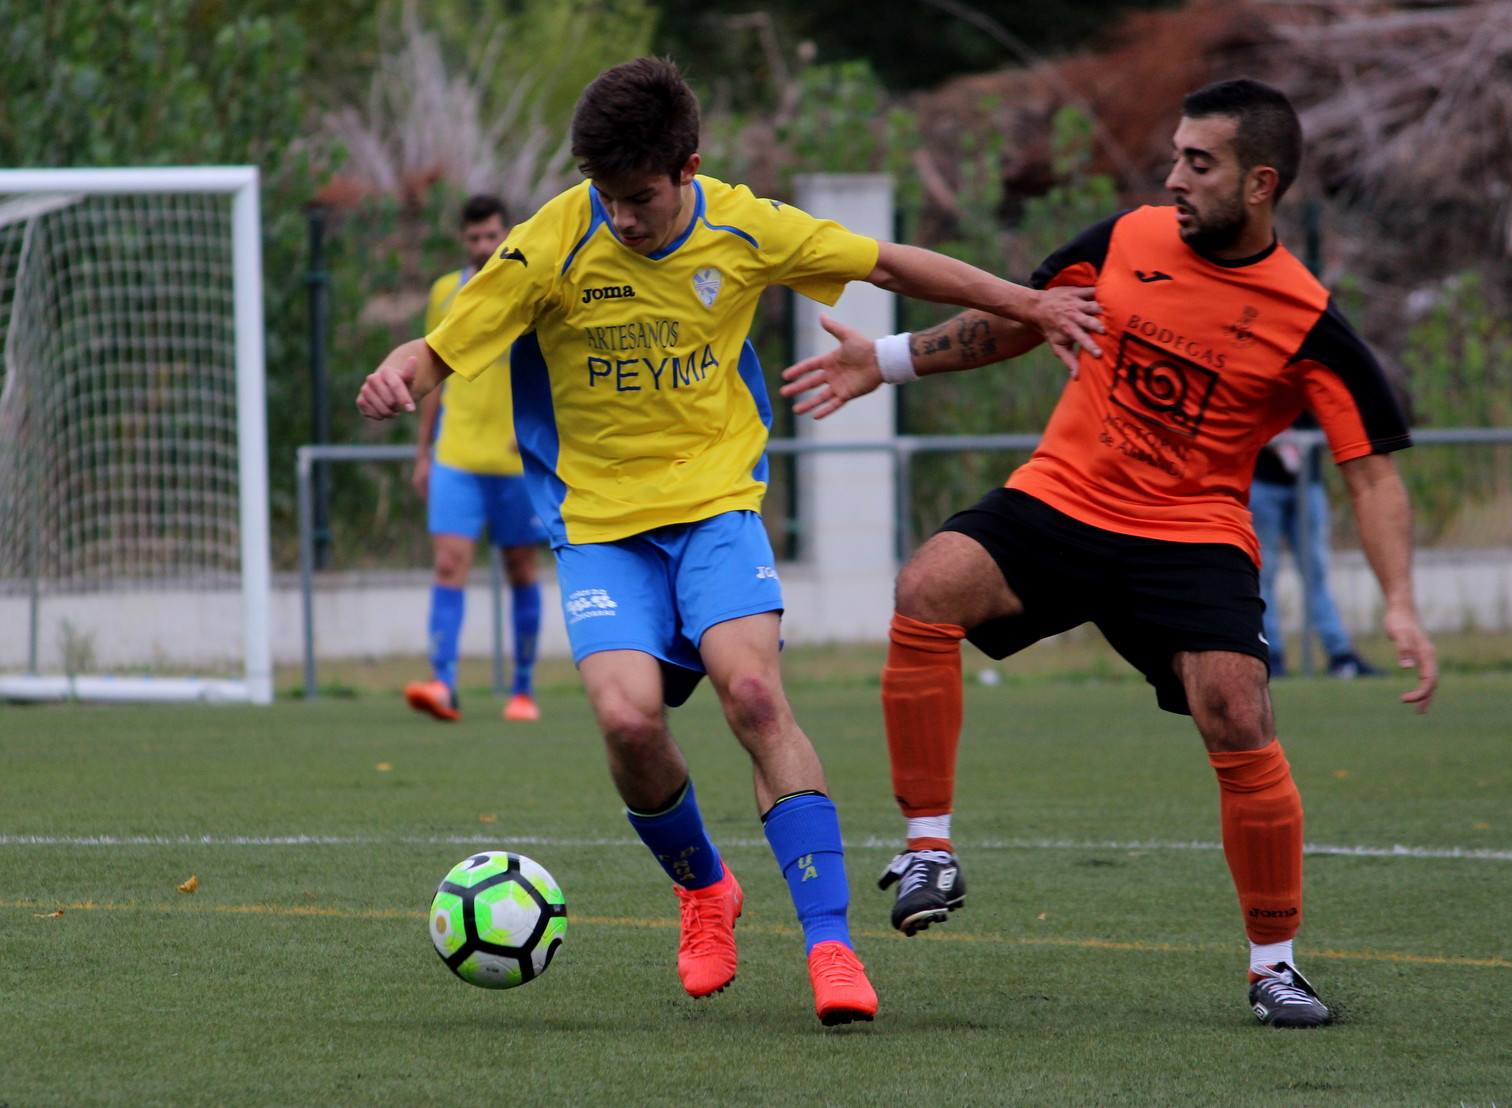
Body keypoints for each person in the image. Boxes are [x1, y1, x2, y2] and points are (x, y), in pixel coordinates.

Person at [357, 57, 1104, 1025]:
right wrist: (399, 373)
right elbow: (442, 348)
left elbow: (887, 263)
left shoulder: (745, 227)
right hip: (598, 526)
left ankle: (830, 945)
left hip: (715, 507)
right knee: (627, 721)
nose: (621, 218)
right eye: (605, 195)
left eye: (639, 198)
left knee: (751, 693)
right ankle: (705, 888)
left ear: (688, 169)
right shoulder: (549, 242)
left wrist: (1028, 303)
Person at [781, 77, 1438, 1028]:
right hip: (1063, 500)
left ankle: (1275, 967)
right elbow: (1026, 317)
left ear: (1260, 183)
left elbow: (1371, 476)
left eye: (1199, 163)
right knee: (929, 584)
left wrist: (1401, 602)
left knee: (1238, 713)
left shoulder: (1306, 318)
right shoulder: (1128, 237)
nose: (1174, 177)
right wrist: (883, 361)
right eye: (1175, 156)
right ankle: (928, 849)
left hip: (1192, 534)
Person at [406, 195, 548, 724]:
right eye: (474, 238)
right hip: (457, 455)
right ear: (463, 240)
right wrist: (423, 453)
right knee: (449, 564)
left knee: (521, 568)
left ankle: (523, 688)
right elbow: (433, 372)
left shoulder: (532, 286)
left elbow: (557, 366)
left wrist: (536, 428)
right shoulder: (446, 292)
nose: (484, 246)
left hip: (516, 461)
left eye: (492, 235)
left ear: (507, 234)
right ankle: (443, 684)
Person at [1251, 412, 1380, 678]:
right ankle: (1271, 654)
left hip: (1307, 482)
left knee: (1316, 573)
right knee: (1263, 573)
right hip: (1262, 482)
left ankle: (1340, 654)